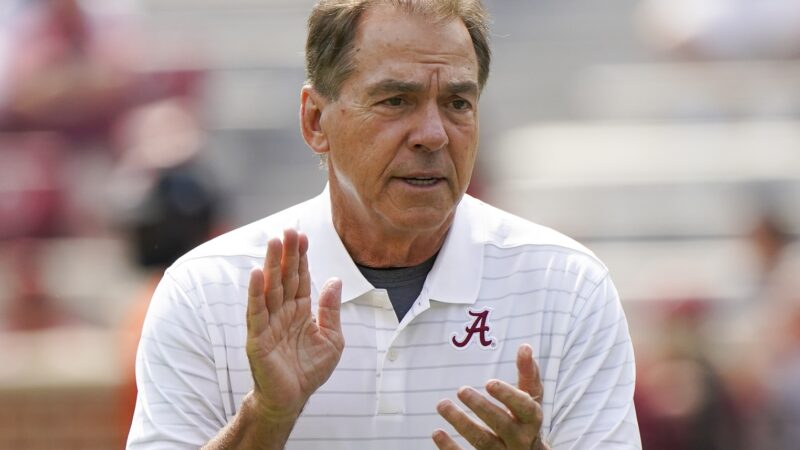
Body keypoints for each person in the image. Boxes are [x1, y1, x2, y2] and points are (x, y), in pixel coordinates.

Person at [127, 1, 641, 448]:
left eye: (457, 103)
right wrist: (267, 415)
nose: (434, 134)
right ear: (314, 121)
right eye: (396, 101)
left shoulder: (568, 286)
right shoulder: (207, 289)